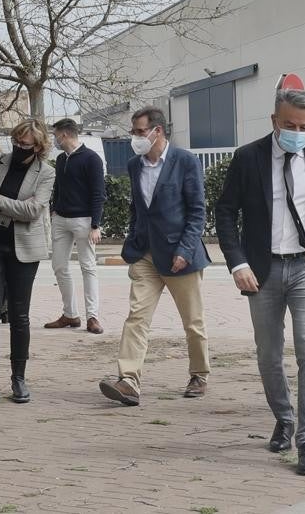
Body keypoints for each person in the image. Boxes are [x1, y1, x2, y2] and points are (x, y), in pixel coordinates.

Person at [215, 89, 305, 477]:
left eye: (304, 127)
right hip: (262, 269)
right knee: (269, 354)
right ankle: (284, 418)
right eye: (289, 125)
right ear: (274, 121)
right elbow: (226, 212)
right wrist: (237, 262)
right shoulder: (248, 157)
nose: (296, 132)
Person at [100, 107, 211, 407]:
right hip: (145, 255)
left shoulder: (185, 162)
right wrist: (133, 245)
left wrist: (185, 250)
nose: (134, 137)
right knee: (137, 317)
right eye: (133, 132)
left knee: (193, 322)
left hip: (180, 255)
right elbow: (138, 208)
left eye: (139, 132)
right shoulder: (136, 165)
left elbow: (197, 211)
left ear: (157, 131)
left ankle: (199, 374)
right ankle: (128, 380)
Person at [0, 119, 56, 405]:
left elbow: (32, 211)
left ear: (38, 147)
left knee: (20, 316)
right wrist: (5, 210)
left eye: (25, 144)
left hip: (24, 251)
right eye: (16, 141)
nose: (18, 147)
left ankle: (19, 379)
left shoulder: (46, 173)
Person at [45, 118, 107, 334]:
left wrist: (95, 224)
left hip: (84, 220)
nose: (54, 139)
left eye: (55, 135)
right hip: (61, 219)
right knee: (59, 266)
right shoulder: (61, 159)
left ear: (64, 135)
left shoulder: (92, 159)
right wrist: (54, 209)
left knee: (88, 267)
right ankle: (70, 314)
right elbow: (58, 187)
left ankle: (93, 317)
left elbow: (99, 193)